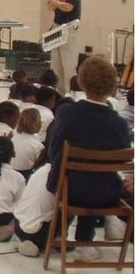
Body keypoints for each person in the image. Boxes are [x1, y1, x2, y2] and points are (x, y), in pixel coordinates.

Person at [47, 56, 131, 262]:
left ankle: (59, 232)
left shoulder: (66, 113)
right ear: (113, 87)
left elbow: (53, 150)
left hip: (68, 189)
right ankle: (86, 242)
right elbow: (119, 159)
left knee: (76, 177)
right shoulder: (119, 124)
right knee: (98, 177)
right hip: (106, 193)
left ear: (81, 80)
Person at [48, 0, 81, 94]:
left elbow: (69, 8)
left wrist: (56, 2)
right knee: (55, 63)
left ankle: (70, 93)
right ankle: (58, 93)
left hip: (69, 27)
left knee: (68, 63)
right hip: (57, 27)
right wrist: (57, 2)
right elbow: (49, 7)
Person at [11, 163, 55, 257]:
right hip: (41, 230)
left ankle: (20, 238)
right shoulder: (63, 175)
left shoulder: (40, 171)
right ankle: (47, 243)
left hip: (18, 223)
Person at [11, 108, 44, 181]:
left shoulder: (13, 139)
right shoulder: (38, 146)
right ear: (38, 123)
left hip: (9, 175)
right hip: (26, 178)